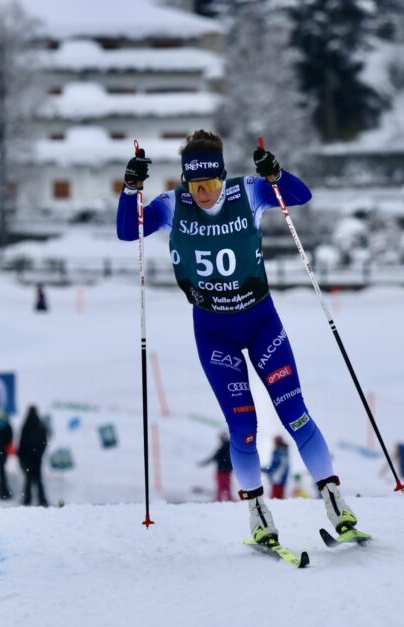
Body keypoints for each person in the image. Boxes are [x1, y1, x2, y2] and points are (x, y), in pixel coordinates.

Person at [117, 130, 360, 545]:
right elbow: (127, 230)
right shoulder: (173, 205)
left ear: (223, 177)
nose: (205, 194)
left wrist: (276, 174)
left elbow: (300, 196)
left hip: (261, 322)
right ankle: (259, 514)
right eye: (196, 186)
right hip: (214, 333)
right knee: (243, 428)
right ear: (186, 183)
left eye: (211, 184)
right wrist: (131, 188)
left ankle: (335, 500)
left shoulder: (247, 192)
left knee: (295, 414)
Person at [17, 405, 49, 507]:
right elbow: (44, 442)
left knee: (28, 478)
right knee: (38, 479)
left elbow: (22, 442)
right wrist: (40, 453)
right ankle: (42, 499)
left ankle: (27, 499)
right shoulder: (40, 425)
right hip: (37, 457)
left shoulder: (26, 425)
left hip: (28, 457)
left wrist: (21, 455)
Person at [197, 433, 233, 502]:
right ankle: (228, 501)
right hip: (227, 472)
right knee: (227, 488)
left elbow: (212, 458)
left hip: (221, 472)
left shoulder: (222, 449)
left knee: (221, 488)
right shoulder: (230, 448)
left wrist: (202, 464)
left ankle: (219, 501)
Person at [263, 435, 290, 499]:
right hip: (283, 479)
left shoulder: (278, 452)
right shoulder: (285, 452)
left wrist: (266, 470)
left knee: (275, 499)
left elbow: (274, 465)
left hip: (277, 478)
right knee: (280, 499)